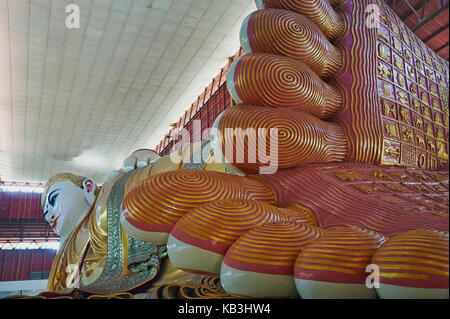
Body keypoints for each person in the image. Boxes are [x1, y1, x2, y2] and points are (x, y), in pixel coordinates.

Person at [37, 0, 448, 299]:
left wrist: (151, 162)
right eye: (46, 214)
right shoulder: (71, 259)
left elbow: (187, 165)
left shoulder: (112, 197)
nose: (50, 216)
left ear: (87, 185)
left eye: (52, 200)